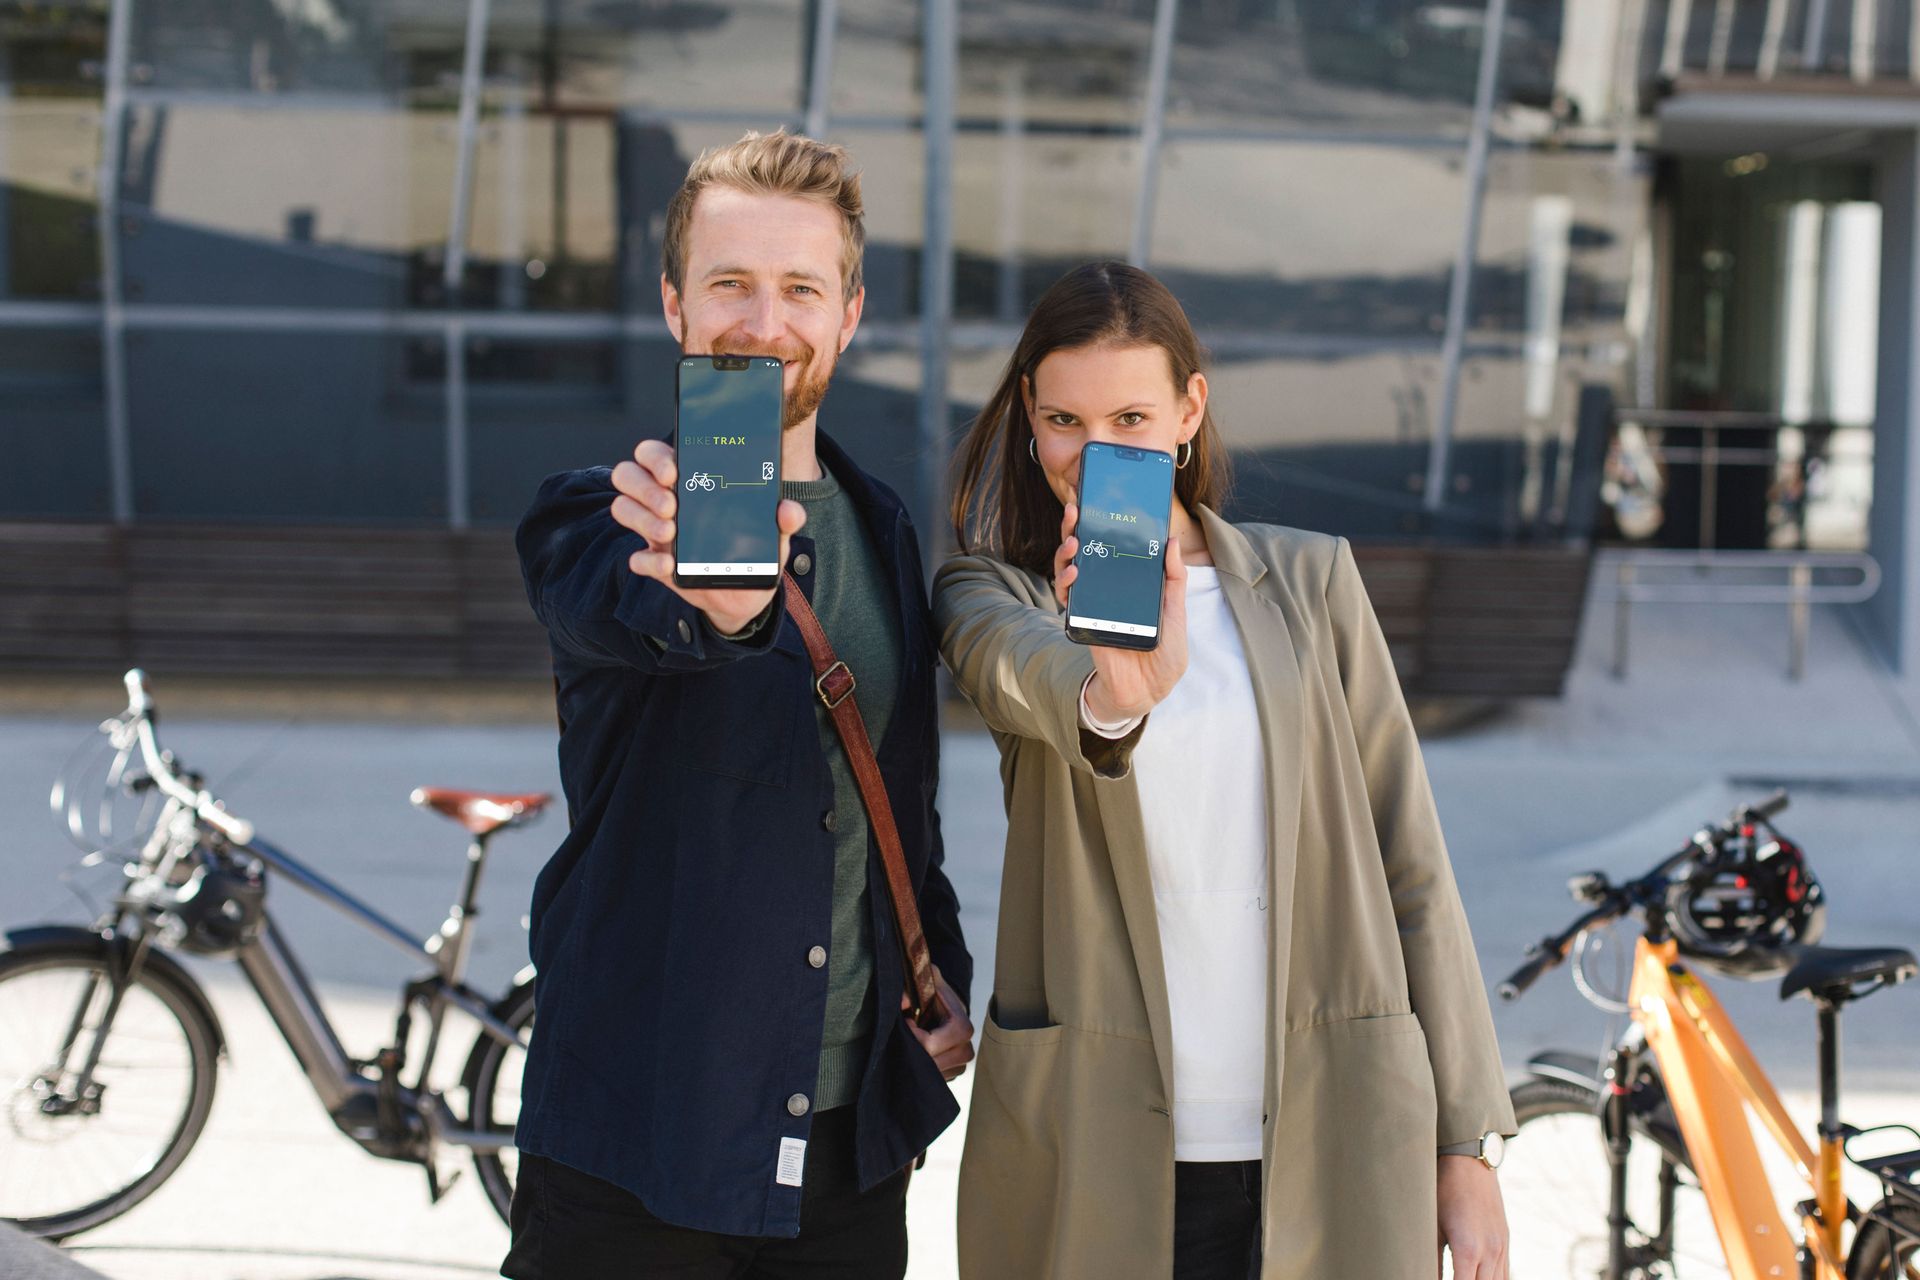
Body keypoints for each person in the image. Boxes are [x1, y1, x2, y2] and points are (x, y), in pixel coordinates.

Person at [936, 262, 1514, 1279]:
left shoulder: (1311, 579)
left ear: (1190, 408)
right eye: (1065, 419)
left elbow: (1408, 858)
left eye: (1131, 414)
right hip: (1102, 1135)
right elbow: (1021, 675)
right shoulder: (994, 593)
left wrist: (1464, 1142)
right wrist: (1116, 688)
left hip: (1331, 1125)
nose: (1094, 452)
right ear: (1029, 418)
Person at [503, 130, 974, 1280]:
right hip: (641, 1148)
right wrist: (717, 608)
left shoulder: (883, 527)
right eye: (730, 284)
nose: (765, 323)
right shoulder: (603, 523)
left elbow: (897, 801)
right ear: (675, 306)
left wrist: (937, 966)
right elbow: (632, 611)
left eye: (799, 288)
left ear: (848, 314)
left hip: (846, 1158)